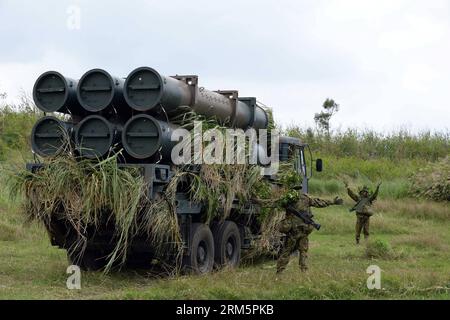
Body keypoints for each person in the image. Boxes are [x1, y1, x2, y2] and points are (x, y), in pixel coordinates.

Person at [276, 185, 343, 273]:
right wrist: (332, 202)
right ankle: (303, 269)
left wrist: (257, 201)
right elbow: (319, 202)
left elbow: (272, 203)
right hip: (304, 229)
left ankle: (280, 271)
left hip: (294, 230)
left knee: (287, 250)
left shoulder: (287, 199)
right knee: (303, 250)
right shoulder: (305, 198)